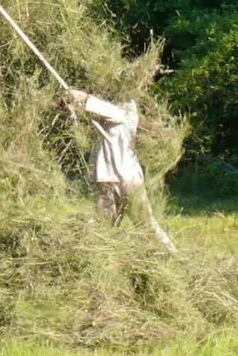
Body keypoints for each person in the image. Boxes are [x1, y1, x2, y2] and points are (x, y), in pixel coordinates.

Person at [65, 88, 176, 252]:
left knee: (146, 223)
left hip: (124, 179)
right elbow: (92, 109)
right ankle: (103, 263)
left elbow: (89, 102)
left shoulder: (124, 110)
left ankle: (171, 254)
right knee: (104, 228)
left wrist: (76, 94)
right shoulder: (110, 115)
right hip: (109, 180)